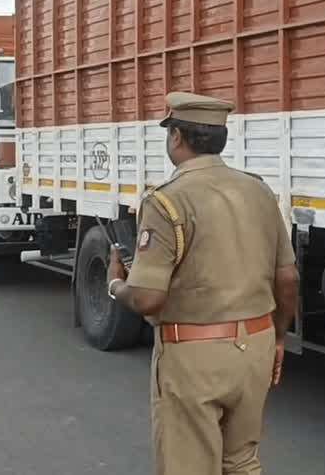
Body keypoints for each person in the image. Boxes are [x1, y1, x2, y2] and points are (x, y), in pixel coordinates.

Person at [106, 91, 301, 475]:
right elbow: (287, 276)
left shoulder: (166, 202)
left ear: (177, 138)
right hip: (256, 346)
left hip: (194, 354)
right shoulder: (258, 191)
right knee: (242, 462)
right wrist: (278, 338)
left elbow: (147, 298)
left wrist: (115, 284)